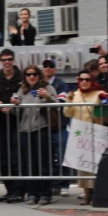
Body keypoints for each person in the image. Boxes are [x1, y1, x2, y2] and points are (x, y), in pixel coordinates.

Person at [11, 65, 57, 205]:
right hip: (25, 131)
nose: (32, 76)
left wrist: (47, 97)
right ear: (25, 76)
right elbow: (16, 113)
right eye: (28, 74)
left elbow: (58, 105)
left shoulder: (46, 87)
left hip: (41, 129)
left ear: (39, 75)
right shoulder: (22, 90)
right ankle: (32, 193)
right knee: (29, 164)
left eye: (35, 74)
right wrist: (15, 105)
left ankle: (45, 194)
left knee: (43, 162)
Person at [0, 48, 23, 202]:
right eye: (4, 60)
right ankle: (9, 189)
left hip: (19, 122)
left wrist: (16, 104)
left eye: (9, 59)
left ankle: (19, 190)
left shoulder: (22, 76)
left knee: (17, 156)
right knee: (4, 157)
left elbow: (27, 93)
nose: (6, 62)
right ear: (0, 61)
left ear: (13, 60)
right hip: (1, 122)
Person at [63, 70, 103, 205]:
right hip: (80, 134)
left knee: (96, 166)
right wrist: (68, 100)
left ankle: (97, 195)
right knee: (83, 168)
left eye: (87, 79)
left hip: (96, 133)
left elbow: (103, 112)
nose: (84, 82)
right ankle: (86, 196)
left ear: (92, 81)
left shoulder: (98, 93)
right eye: (81, 79)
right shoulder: (74, 94)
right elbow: (67, 113)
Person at [43, 59, 71, 195]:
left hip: (59, 125)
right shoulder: (40, 84)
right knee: (48, 158)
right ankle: (53, 185)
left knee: (62, 157)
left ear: (55, 69)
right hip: (44, 126)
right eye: (45, 66)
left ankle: (64, 184)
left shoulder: (61, 83)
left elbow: (61, 102)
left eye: (50, 67)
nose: (48, 69)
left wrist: (47, 97)